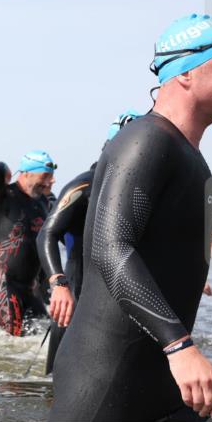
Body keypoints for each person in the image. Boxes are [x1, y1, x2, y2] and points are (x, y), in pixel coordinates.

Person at [32, 14, 212, 422]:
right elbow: (112, 248)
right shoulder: (147, 140)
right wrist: (180, 345)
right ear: (186, 72)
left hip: (166, 380)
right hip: (107, 373)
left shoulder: (186, 154)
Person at [37, 111, 142, 374]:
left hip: (114, 304)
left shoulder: (137, 192)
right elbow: (47, 234)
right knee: (60, 381)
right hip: (74, 295)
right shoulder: (83, 186)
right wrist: (59, 284)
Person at [0, 150, 56, 336]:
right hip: (5, 284)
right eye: (45, 176)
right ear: (27, 172)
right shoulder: (4, 195)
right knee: (13, 342)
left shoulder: (43, 203)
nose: (50, 181)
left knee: (46, 334)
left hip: (30, 288)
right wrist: (6, 172)